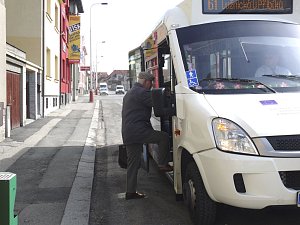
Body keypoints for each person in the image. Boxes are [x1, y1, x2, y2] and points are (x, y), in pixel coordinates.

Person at [121, 71, 172, 200]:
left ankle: (130, 192)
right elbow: (157, 103)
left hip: (129, 132)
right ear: (146, 82)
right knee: (164, 137)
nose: (152, 86)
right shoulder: (141, 93)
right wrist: (169, 99)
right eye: (151, 83)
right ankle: (162, 163)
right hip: (138, 131)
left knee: (133, 163)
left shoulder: (131, 92)